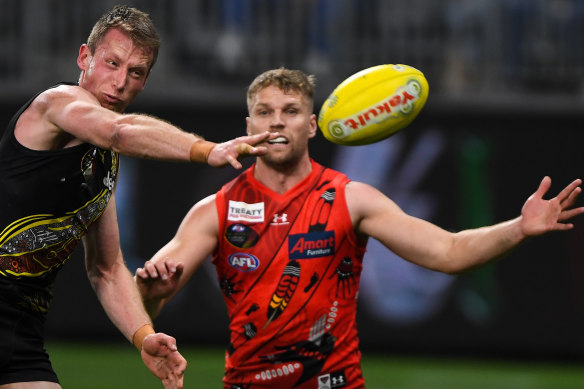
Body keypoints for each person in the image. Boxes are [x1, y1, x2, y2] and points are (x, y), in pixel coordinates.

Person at [135, 67, 584, 389]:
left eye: (290, 111)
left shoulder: (351, 200)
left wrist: (520, 228)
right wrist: (152, 294)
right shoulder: (215, 209)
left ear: (313, 125)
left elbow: (448, 252)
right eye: (264, 111)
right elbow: (148, 305)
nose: (276, 121)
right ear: (248, 125)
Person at [0, 5, 275, 389]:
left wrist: (144, 337)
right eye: (111, 63)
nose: (120, 82)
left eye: (135, 72)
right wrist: (205, 149)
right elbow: (118, 131)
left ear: (144, 82)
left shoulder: (102, 166)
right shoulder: (56, 104)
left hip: (17, 328)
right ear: (84, 57)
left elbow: (107, 268)